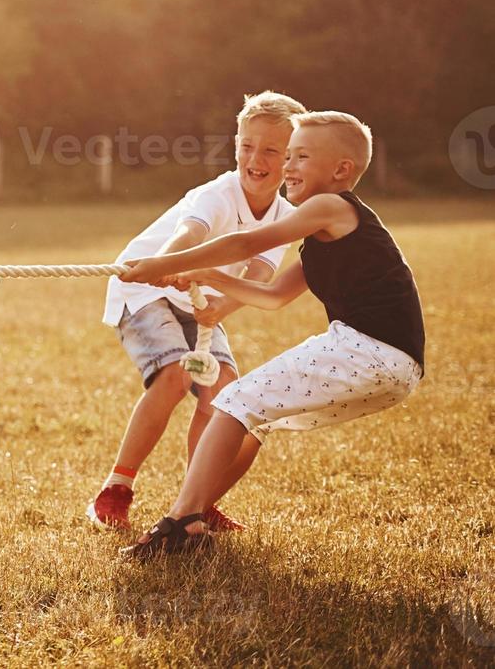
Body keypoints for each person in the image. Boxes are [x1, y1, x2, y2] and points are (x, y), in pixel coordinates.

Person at [118, 111, 424, 559]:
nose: (288, 167)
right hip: (398, 370)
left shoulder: (332, 206)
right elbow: (274, 295)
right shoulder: (323, 234)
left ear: (341, 170)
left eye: (300, 156)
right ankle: (197, 513)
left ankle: (181, 522)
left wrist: (163, 265)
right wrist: (206, 274)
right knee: (256, 420)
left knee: (233, 401)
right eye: (290, 157)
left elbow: (247, 244)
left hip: (367, 349)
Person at [87, 91, 305, 533]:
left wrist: (222, 307)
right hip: (146, 290)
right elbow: (190, 233)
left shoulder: (285, 215)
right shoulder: (217, 194)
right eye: (246, 146)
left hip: (200, 300)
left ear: (293, 159)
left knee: (223, 393)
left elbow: (260, 272)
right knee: (174, 374)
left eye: (270, 150)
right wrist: (165, 264)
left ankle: (195, 503)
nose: (255, 158)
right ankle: (116, 491)